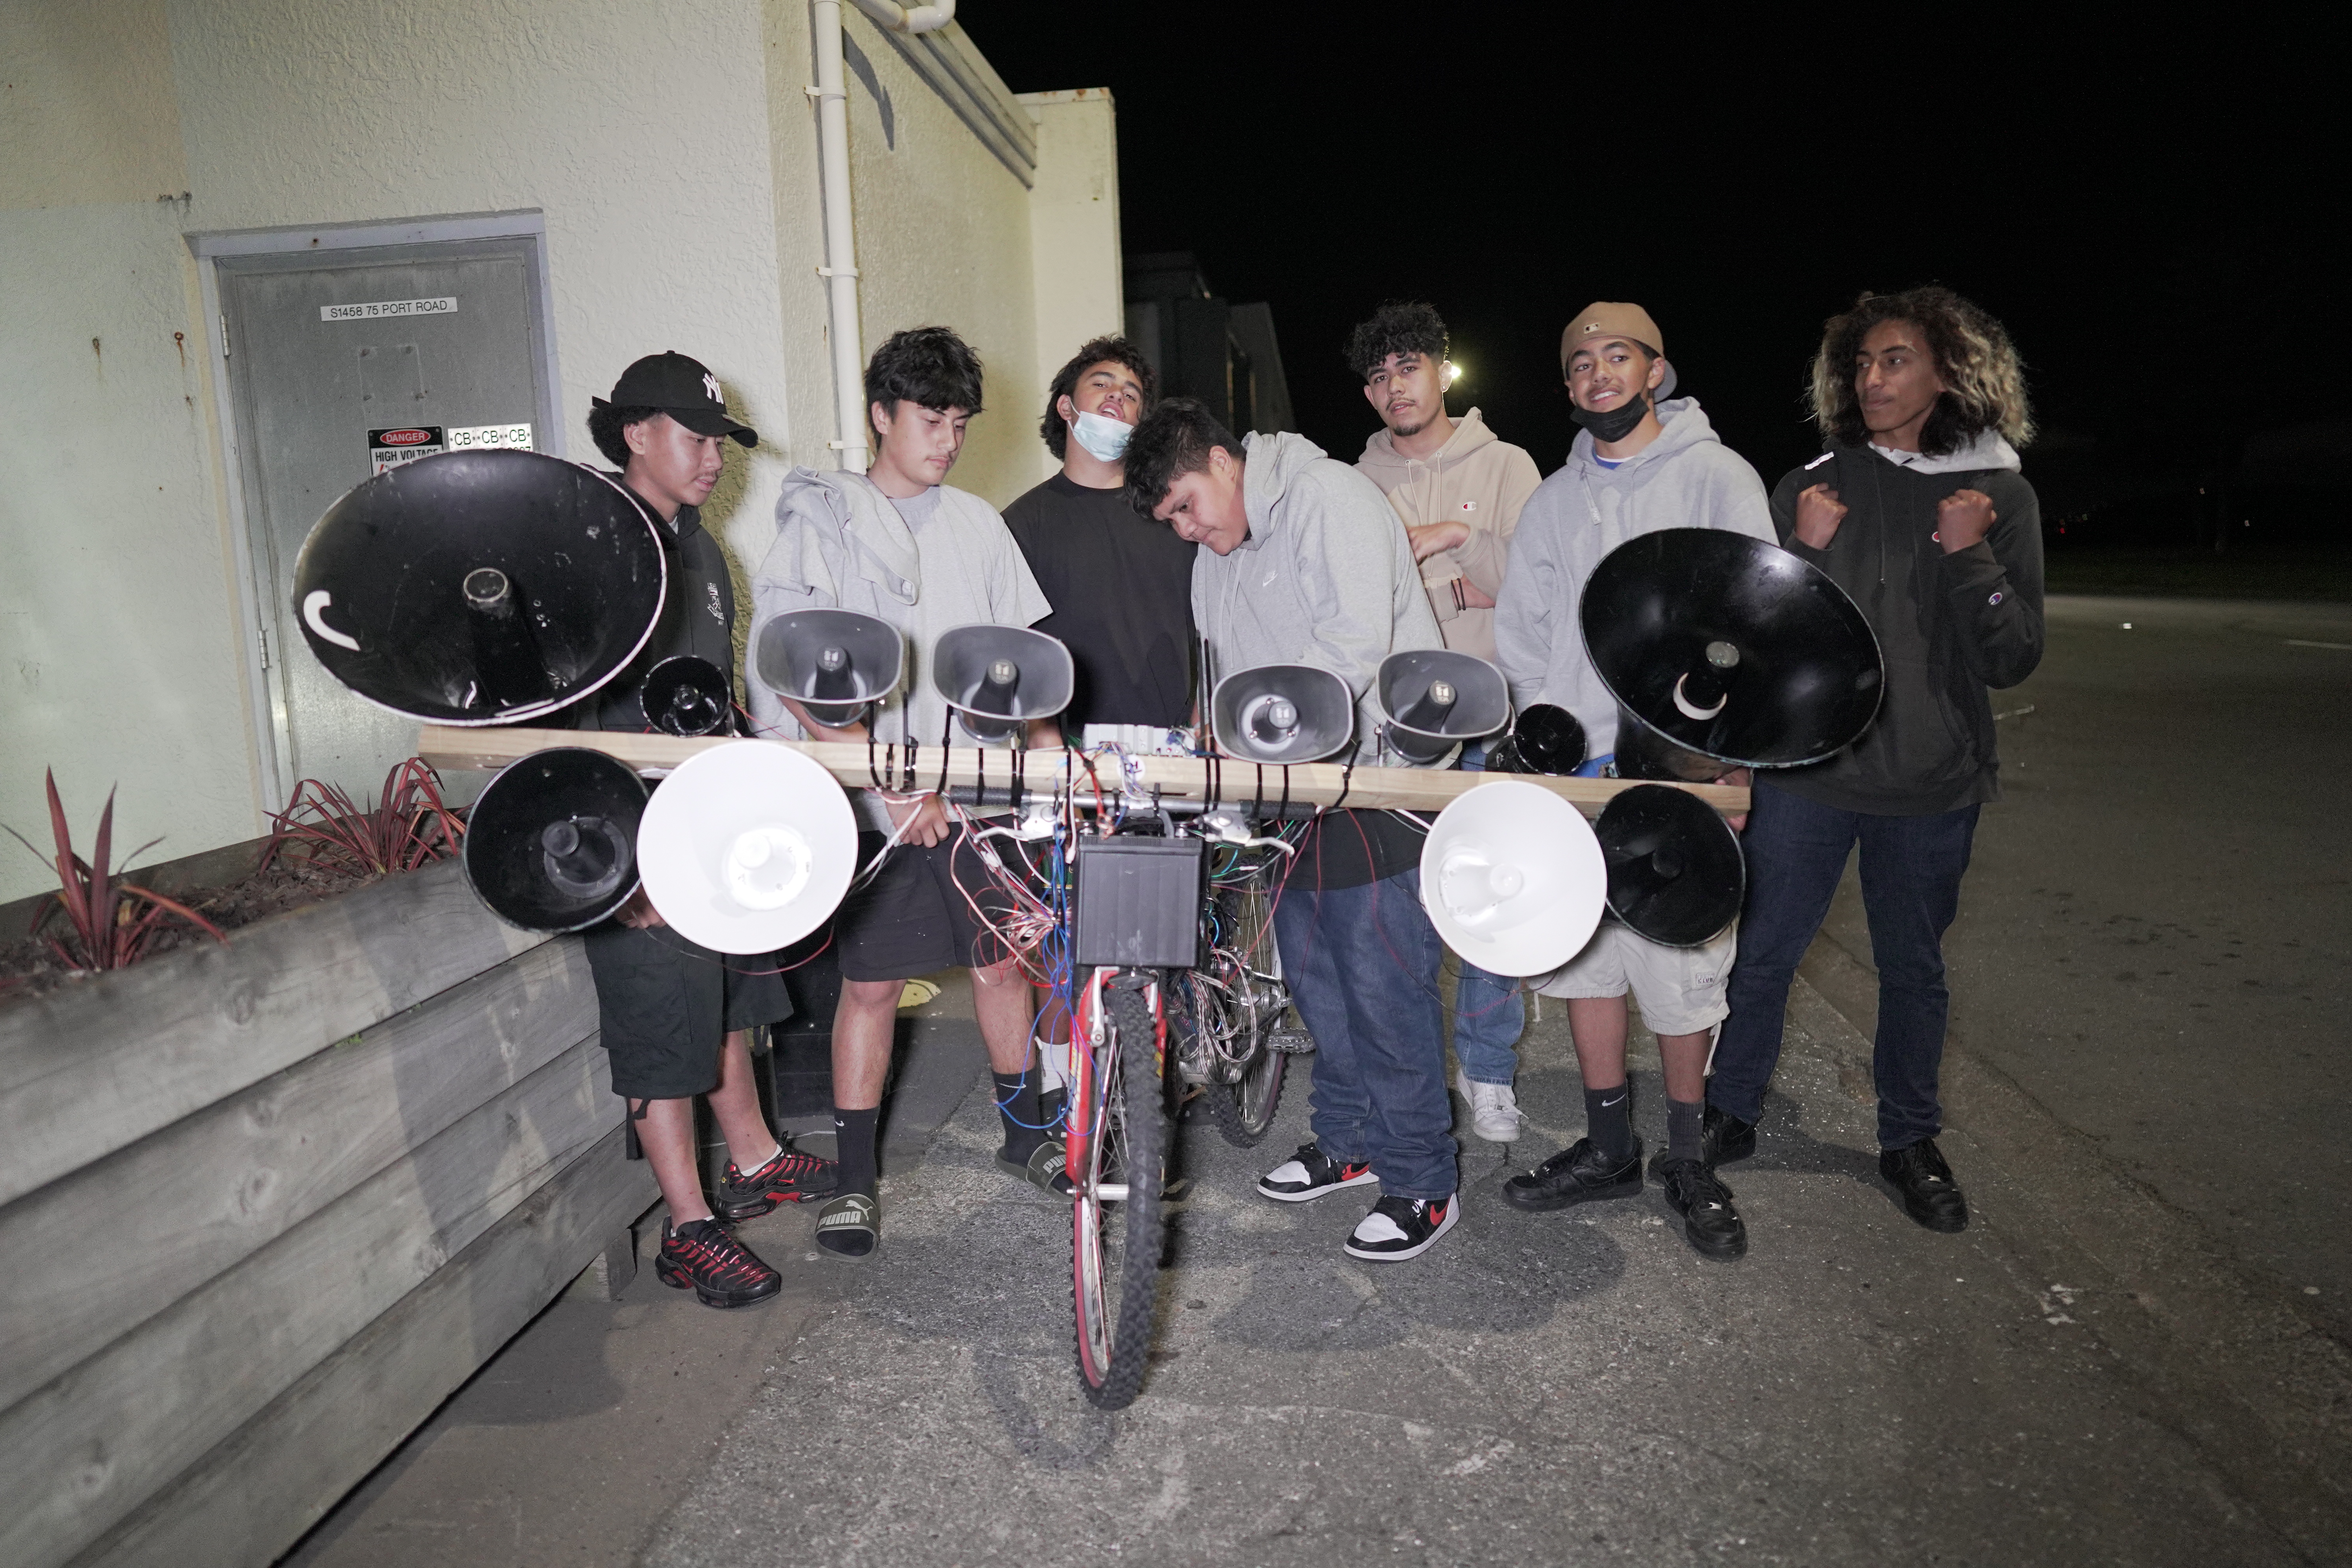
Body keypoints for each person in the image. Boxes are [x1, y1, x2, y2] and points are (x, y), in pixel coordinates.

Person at [1704, 287, 2043, 1234]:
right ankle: (1731, 1106)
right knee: (1764, 952)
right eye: (1863, 363)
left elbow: (2013, 657)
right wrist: (1797, 550)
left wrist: (1971, 559)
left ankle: (1908, 1137)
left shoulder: (1999, 495)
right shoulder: (1812, 482)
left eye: (1896, 360)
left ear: (1948, 372)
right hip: (1810, 774)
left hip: (1933, 784)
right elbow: (1744, 643)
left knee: (1914, 968)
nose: (1874, 377)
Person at [747, 326, 1061, 1259]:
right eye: (931, 418)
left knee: (1005, 963)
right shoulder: (823, 523)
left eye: (961, 422)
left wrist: (1052, 769)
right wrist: (888, 785)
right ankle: (853, 1179)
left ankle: (1027, 1136)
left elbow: (1026, 668)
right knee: (874, 984)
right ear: (882, 415)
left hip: (978, 796)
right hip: (879, 802)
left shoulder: (979, 525)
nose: (949, 439)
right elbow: (795, 672)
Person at [1125, 396, 1460, 1262]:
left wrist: (1271, 751)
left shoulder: (1329, 499)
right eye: (1172, 522)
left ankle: (1425, 1179)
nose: (1188, 531)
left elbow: (1351, 653)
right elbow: (1220, 672)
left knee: (1386, 986)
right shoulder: (1219, 553)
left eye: (1188, 506)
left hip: (1373, 781)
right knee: (1314, 981)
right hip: (1286, 794)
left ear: (1225, 462)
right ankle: (1349, 1140)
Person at [1490, 304, 1771, 1261]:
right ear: (1568, 387)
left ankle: (1689, 1158)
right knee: (1586, 958)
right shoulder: (1554, 499)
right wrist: (1546, 730)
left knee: (1684, 965)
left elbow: (1761, 615)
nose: (1598, 375)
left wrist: (1735, 742)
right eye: (1580, 364)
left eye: (1618, 357)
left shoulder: (1715, 476)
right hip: (1582, 774)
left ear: (1657, 370)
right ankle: (1610, 1144)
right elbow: (1524, 631)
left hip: (1684, 768)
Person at [578, 351, 835, 1310]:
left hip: (708, 821)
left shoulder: (703, 551)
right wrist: (615, 867)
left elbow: (715, 701)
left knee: (730, 996)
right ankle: (690, 1225)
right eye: (693, 438)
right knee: (662, 1023)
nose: (711, 460)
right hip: (628, 834)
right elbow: (562, 721)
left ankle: (757, 1157)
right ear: (637, 432)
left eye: (720, 443)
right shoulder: (594, 540)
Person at [1349, 301, 1544, 1146]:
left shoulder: (1506, 463)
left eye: (1410, 367)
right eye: (1380, 376)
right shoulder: (1353, 482)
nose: (1396, 387)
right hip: (1394, 727)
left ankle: (1489, 1069)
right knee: (1400, 911)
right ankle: (1411, 1063)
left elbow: (1537, 582)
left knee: (1491, 900)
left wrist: (1454, 539)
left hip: (1491, 715)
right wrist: (1466, 586)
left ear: (1442, 370)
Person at [1001, 337, 1192, 1121]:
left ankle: (1154, 1083)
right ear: (1067, 408)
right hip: (1064, 752)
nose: (1118, 398)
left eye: (1132, 392)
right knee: (1062, 930)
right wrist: (1043, 739)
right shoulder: (1019, 522)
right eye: (1100, 384)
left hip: (1171, 751)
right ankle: (1065, 1084)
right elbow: (1010, 651)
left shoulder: (1172, 515)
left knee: (1169, 925)